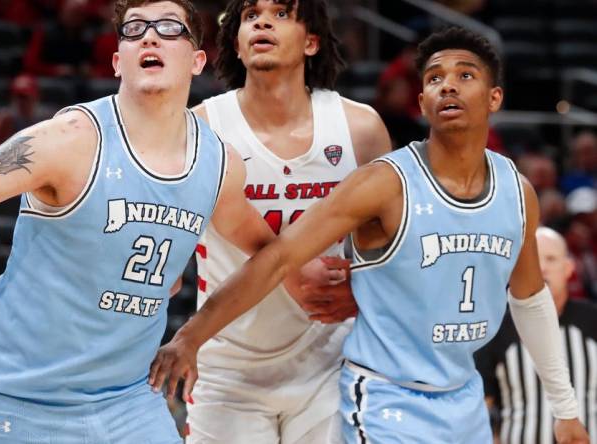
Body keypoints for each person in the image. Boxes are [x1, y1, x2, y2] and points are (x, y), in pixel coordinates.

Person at [0, 1, 320, 442]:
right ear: (116, 60)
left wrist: (194, 334)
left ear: (196, 60)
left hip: (129, 402)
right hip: (22, 401)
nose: (148, 35)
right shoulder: (71, 141)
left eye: (169, 27)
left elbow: (268, 252)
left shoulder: (218, 164)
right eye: (133, 29)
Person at [150, 27, 590, 443]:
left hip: (463, 395)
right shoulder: (384, 183)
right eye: (435, 78)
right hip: (384, 398)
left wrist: (565, 408)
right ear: (421, 101)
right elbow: (279, 257)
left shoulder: (517, 191)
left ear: (495, 98)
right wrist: (191, 335)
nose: (448, 86)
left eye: (465, 76)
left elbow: (530, 300)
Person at [185, 0, 391, 442]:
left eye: (281, 13)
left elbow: (393, 246)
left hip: (329, 362)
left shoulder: (361, 128)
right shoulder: (201, 128)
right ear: (236, 46)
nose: (262, 21)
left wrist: (365, 293)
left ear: (312, 41)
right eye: (250, 15)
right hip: (227, 367)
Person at [476, 227, 597, 443]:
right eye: (535, 260)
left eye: (551, 259)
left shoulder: (593, 320)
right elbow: (483, 404)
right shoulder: (498, 327)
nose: (542, 268)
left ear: (569, 267)